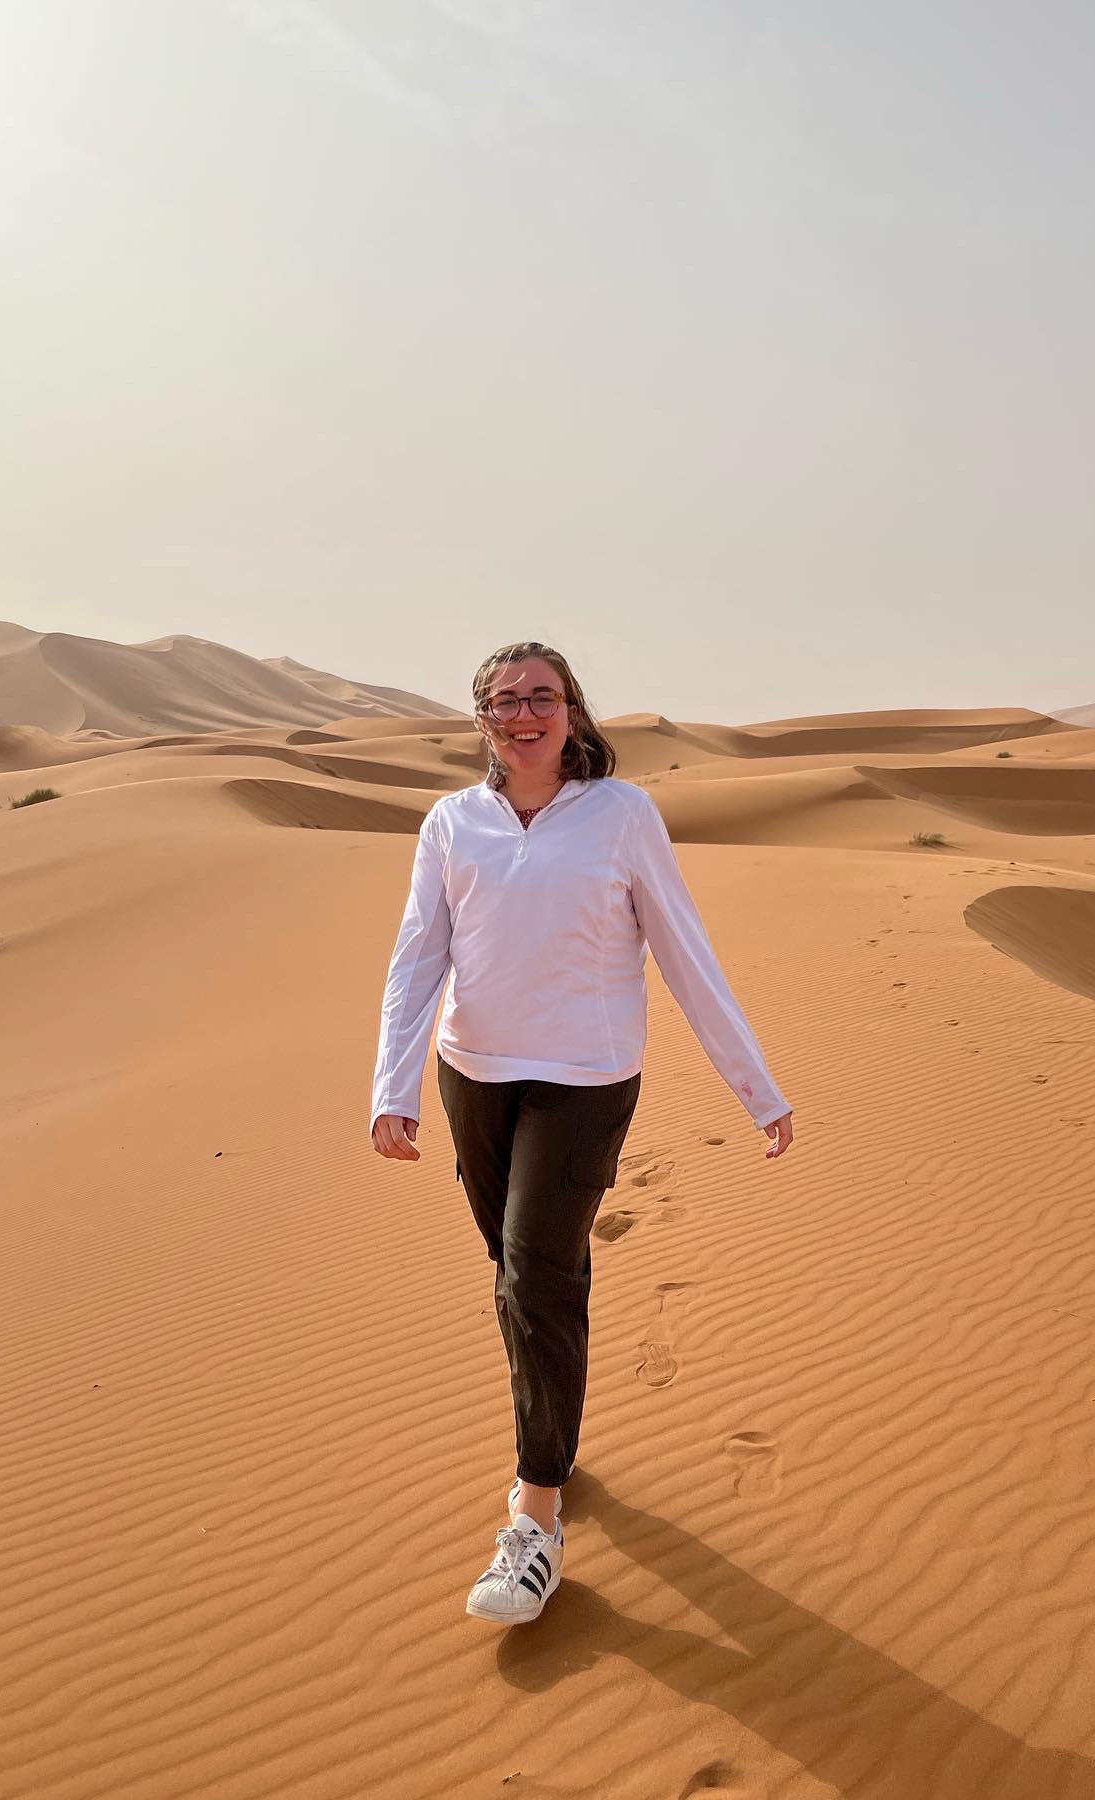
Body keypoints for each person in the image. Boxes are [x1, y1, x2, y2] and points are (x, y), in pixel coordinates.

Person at [369, 640, 793, 1626]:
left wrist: (755, 1086)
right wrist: (394, 1088)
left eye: (543, 697)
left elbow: (685, 949)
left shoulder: (621, 815)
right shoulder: (452, 822)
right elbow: (416, 960)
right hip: (474, 1073)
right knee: (524, 1275)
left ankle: (537, 1515)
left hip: (585, 1079)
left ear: (572, 710)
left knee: (533, 1266)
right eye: (506, 700)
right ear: (482, 718)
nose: (526, 714)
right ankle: (552, 1423)